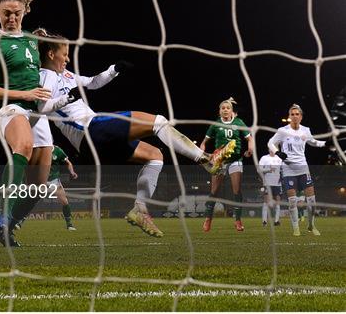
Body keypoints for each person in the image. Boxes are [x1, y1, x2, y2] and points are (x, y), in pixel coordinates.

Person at [35, 28, 236, 238]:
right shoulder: (45, 75)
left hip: (95, 140)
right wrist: (64, 100)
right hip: (91, 129)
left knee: (155, 156)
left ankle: (140, 209)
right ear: (51, 54)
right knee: (158, 122)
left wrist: (113, 69)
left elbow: (93, 82)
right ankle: (206, 160)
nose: (68, 58)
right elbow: (41, 106)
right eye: (65, 54)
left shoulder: (65, 75)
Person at [0, 0, 53, 246]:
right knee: (23, 146)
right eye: (6, 13)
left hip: (37, 111)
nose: (11, 18)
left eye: (16, 13)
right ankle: (2, 216)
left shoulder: (31, 40)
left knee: (39, 187)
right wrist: (25, 93)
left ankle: (6, 228)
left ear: (24, 13)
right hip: (10, 108)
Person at [267, 104, 326, 236]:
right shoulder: (282, 131)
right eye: (292, 114)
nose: (294, 116)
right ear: (289, 116)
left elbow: (313, 142)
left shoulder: (305, 130)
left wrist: (326, 143)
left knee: (312, 201)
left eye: (297, 114)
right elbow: (270, 143)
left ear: (301, 117)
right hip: (288, 170)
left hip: (303, 168)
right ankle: (296, 228)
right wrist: (278, 152)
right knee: (292, 201)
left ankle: (311, 226)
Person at [200, 98, 253, 232]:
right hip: (220, 161)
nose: (225, 110)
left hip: (236, 160)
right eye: (222, 108)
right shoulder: (215, 124)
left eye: (227, 108)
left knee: (237, 190)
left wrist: (250, 149)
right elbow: (204, 142)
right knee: (214, 191)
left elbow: (249, 138)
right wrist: (203, 151)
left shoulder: (238, 122)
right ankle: (208, 219)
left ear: (231, 111)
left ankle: (238, 220)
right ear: (219, 111)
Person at [15, 145, 79, 231]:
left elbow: (68, 162)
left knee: (64, 201)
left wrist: (72, 172)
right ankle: (19, 222)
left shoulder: (57, 151)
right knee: (31, 201)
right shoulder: (39, 150)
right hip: (41, 180)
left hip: (54, 181)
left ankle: (69, 224)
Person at [259, 149, 283, 226]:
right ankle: (264, 221)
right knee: (266, 202)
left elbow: (283, 170)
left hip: (277, 184)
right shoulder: (264, 158)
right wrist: (269, 170)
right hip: (267, 183)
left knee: (277, 202)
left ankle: (276, 221)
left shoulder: (279, 159)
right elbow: (258, 169)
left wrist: (282, 177)